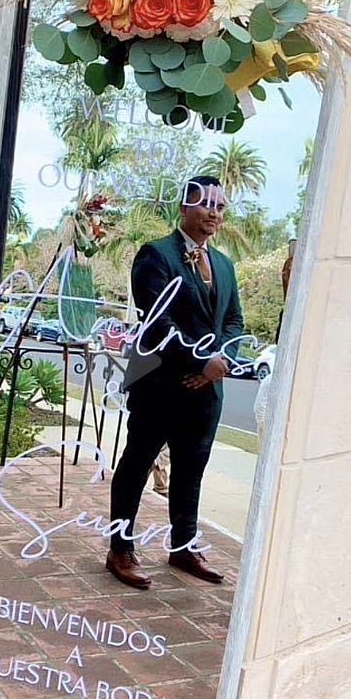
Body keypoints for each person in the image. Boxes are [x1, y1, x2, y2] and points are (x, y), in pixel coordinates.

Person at [105, 176, 245, 589]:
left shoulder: (224, 265)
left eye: (220, 206)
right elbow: (158, 322)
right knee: (136, 466)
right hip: (160, 385)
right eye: (206, 204)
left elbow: (234, 320)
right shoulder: (156, 256)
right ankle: (120, 549)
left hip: (206, 393)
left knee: (191, 470)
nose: (214, 213)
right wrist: (203, 361)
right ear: (184, 207)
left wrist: (222, 362)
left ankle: (183, 546)